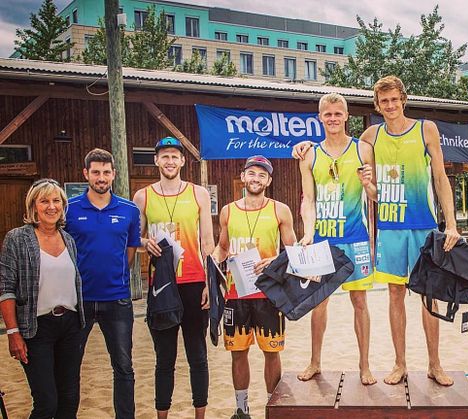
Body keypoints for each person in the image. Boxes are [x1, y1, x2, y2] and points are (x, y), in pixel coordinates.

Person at [293, 75, 460, 386]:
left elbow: (440, 177)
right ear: (377, 105)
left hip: (422, 225)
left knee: (428, 297)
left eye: (395, 99)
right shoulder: (371, 136)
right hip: (389, 228)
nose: (390, 105)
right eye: (384, 101)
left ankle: (435, 364)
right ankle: (399, 364)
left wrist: (449, 222)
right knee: (394, 295)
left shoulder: (426, 129)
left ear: (403, 100)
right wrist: (303, 146)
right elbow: (341, 151)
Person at [297, 93, 378, 385]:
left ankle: (365, 366)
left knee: (360, 302)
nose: (333, 118)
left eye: (338, 113)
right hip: (323, 241)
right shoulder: (309, 154)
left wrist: (368, 184)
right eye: (327, 114)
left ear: (347, 116)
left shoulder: (363, 150)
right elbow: (309, 199)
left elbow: (376, 195)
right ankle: (315, 362)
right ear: (320, 118)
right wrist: (307, 232)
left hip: (355, 238)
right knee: (318, 303)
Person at [133, 137, 215, 419]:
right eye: (164, 156)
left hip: (193, 283)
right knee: (164, 359)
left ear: (182, 161)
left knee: (197, 356)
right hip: (162, 286)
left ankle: (200, 414)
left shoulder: (198, 194)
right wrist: (145, 243)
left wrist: (209, 283)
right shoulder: (143, 196)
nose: (169, 161)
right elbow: (134, 238)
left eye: (174, 156)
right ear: (156, 160)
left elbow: (207, 241)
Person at [212, 156, 297, 419]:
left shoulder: (280, 210)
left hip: (268, 293)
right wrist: (212, 263)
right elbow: (223, 247)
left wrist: (275, 259)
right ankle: (241, 409)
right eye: (252, 173)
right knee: (238, 352)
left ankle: (273, 408)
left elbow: (293, 250)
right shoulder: (228, 210)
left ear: (269, 181)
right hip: (236, 293)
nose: (256, 179)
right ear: (243, 176)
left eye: (262, 175)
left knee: (271, 352)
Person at [0, 179, 85, 418]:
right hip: (36, 329)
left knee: (69, 401)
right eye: (44, 201)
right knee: (47, 403)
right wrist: (13, 332)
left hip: (69, 325)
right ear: (33, 206)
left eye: (56, 200)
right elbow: (6, 288)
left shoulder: (68, 239)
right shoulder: (17, 238)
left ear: (63, 205)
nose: (51, 206)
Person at [65, 148, 141, 419]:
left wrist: (116, 275)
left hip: (117, 300)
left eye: (106, 172)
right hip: (79, 301)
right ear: (86, 174)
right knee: (70, 367)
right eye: (95, 172)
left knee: (123, 367)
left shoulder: (129, 210)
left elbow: (130, 252)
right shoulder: (69, 209)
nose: (101, 177)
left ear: (113, 174)